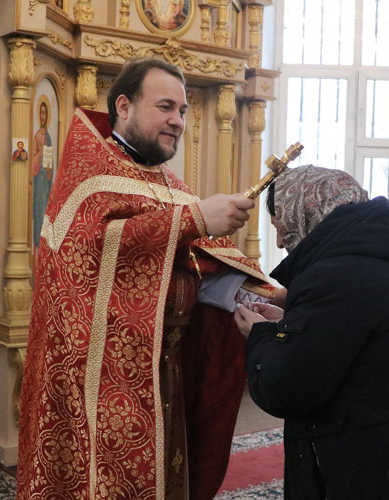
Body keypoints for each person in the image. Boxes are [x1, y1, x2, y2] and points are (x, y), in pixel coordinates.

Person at [17, 58, 274, 500]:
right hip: (99, 384)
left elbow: (195, 262)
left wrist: (249, 294)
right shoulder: (89, 177)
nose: (177, 121)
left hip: (166, 370)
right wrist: (195, 217)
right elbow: (88, 250)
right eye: (165, 107)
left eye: (183, 110)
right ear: (124, 107)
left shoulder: (168, 183)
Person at [234, 165, 389, 500]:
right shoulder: (384, 253)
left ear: (305, 212)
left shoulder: (334, 274)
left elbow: (284, 387)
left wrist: (262, 335)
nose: (282, 240)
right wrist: (291, 321)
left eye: (280, 225)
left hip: (373, 464)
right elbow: (348, 336)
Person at [31, 99, 54, 250]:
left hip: (46, 179)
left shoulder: (49, 136)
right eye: (41, 113)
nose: (43, 116)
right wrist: (39, 156)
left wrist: (48, 170)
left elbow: (51, 158)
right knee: (38, 207)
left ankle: (44, 240)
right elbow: (33, 154)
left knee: (45, 206)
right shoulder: (37, 135)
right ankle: (37, 240)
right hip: (38, 178)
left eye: (45, 113)